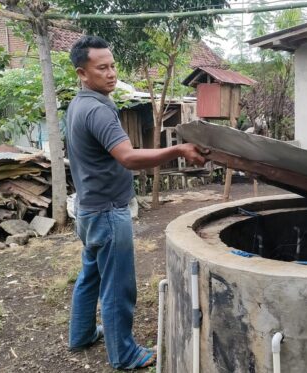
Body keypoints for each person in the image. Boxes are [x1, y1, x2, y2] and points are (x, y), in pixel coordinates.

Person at [65, 35, 206, 370]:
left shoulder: (78, 104)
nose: (111, 73)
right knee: (118, 287)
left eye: (112, 65)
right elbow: (127, 157)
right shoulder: (97, 111)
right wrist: (177, 150)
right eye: (102, 68)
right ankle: (124, 355)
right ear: (82, 74)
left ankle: (81, 335)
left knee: (90, 277)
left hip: (87, 209)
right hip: (107, 212)